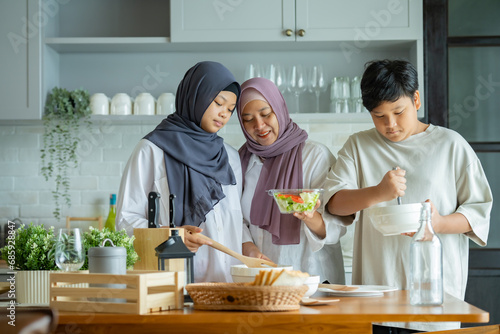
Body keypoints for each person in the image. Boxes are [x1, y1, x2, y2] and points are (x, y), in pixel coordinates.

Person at [324, 59, 492, 330]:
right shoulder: (358, 145)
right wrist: (378, 192)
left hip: (436, 298)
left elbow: (478, 213)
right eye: (379, 116)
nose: (390, 124)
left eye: (398, 112)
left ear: (416, 99)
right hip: (376, 296)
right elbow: (334, 204)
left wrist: (438, 223)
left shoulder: (451, 145)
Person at [116, 61, 243, 283]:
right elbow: (125, 221)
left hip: (228, 285)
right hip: (172, 284)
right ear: (196, 96)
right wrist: (172, 236)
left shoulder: (230, 157)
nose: (224, 114)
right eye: (218, 103)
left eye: (230, 109)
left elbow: (235, 222)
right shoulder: (152, 150)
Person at [237, 77, 348, 284]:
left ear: (279, 109)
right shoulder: (242, 161)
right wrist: (247, 246)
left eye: (265, 114)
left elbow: (337, 227)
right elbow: (237, 217)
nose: (259, 125)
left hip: (312, 278)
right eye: (248, 119)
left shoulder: (314, 156)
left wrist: (310, 217)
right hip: (262, 281)